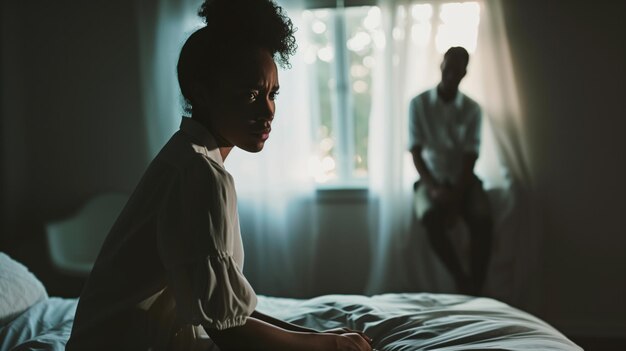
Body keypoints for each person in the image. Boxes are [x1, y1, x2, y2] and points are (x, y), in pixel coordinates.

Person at [66, 1, 373, 350]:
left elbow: (227, 313)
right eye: (252, 94)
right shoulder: (199, 173)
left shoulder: (186, 155)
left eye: (272, 94)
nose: (267, 111)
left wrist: (319, 337)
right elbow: (226, 329)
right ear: (202, 92)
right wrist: (330, 347)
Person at [408, 47, 493, 296]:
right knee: (430, 218)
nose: (452, 72)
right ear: (441, 65)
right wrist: (434, 188)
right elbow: (415, 152)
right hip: (429, 180)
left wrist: (456, 197)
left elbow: (470, 156)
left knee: (483, 220)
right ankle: (461, 279)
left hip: (463, 181)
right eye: (448, 66)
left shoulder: (472, 109)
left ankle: (476, 288)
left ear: (465, 72)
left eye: (458, 68)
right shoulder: (418, 104)